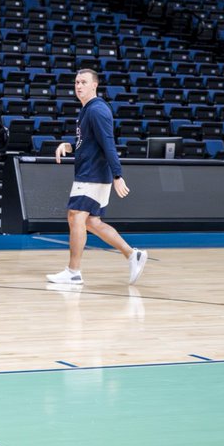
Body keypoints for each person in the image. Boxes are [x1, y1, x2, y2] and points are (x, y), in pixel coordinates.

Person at [48, 69, 148, 287]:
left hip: (92, 174)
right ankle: (133, 255)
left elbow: (108, 143)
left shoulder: (97, 110)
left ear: (95, 85)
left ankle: (73, 272)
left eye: (83, 82)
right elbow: (89, 143)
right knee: (91, 222)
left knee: (75, 217)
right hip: (91, 172)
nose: (78, 86)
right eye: (76, 82)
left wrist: (118, 175)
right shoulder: (87, 110)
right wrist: (70, 145)